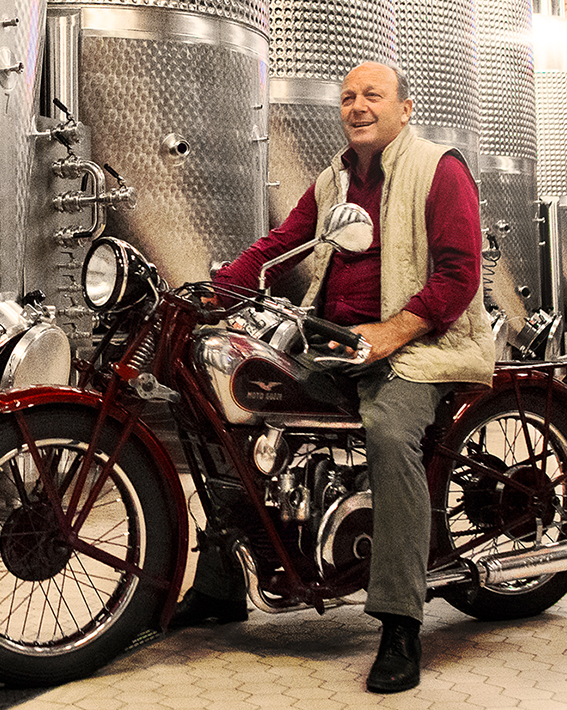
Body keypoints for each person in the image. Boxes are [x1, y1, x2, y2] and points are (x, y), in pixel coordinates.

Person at [170, 61, 495, 694]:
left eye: (373, 95)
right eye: (348, 97)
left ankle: (400, 620)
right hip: (336, 343)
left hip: (418, 347)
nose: (357, 106)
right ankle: (221, 580)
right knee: (235, 409)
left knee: (389, 433)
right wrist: (217, 288)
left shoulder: (438, 168)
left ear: (405, 108)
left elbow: (459, 275)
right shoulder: (332, 181)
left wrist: (391, 333)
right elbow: (282, 243)